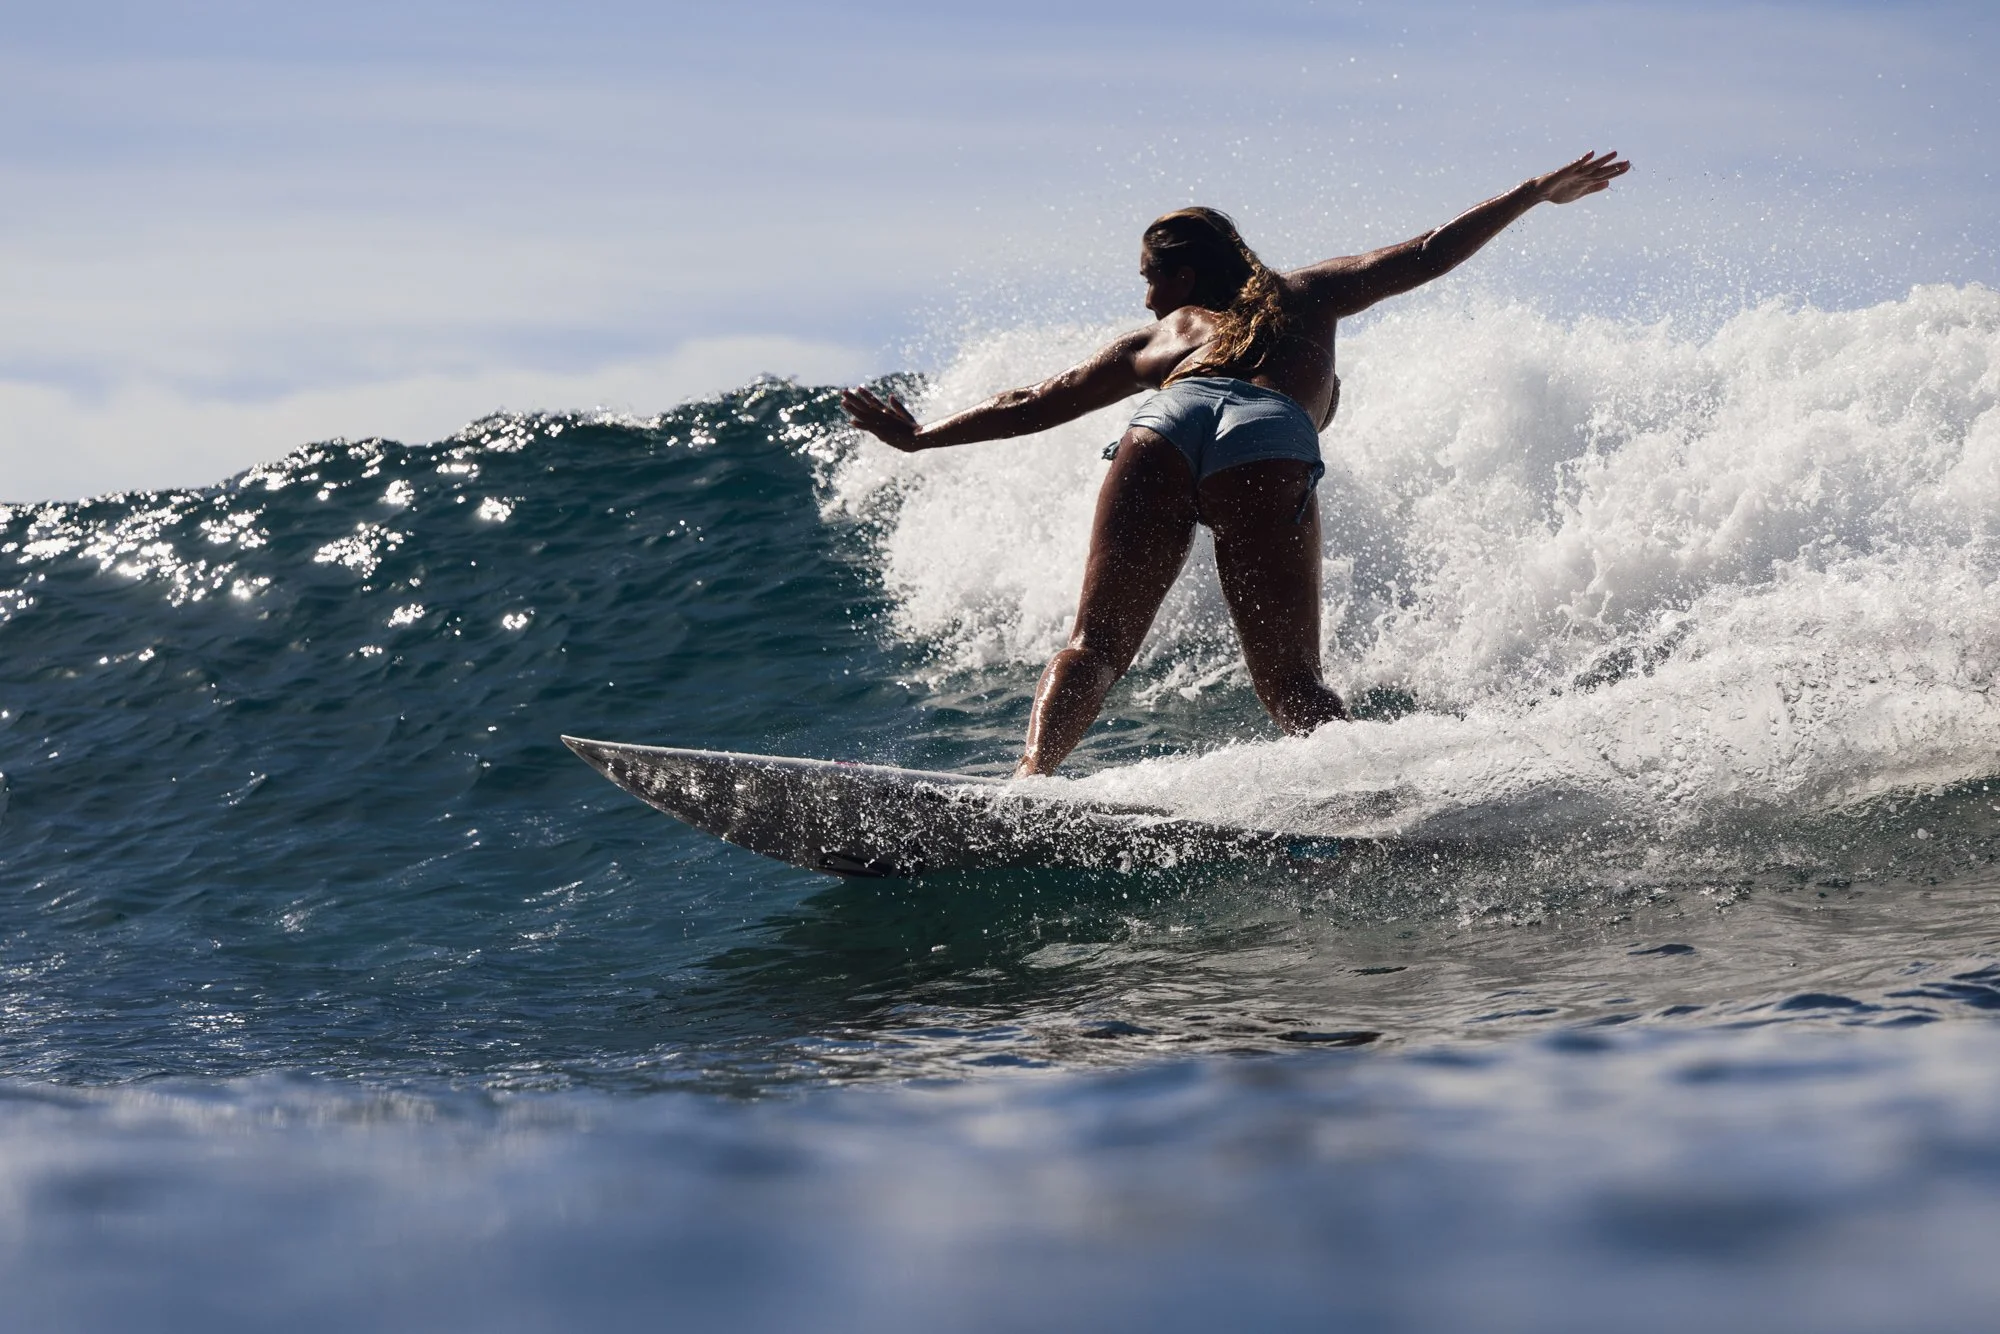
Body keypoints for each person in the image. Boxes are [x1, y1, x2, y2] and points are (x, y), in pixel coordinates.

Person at [843, 150, 1631, 776]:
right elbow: (1428, 253)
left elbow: (1034, 401)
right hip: (1266, 437)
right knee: (1291, 683)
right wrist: (1532, 193)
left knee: (1095, 646)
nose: (1147, 300)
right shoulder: (1309, 292)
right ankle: (1367, 804)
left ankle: (1031, 776)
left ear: (1185, 276)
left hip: (1164, 425)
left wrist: (921, 437)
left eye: (1151, 279)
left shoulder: (1160, 339)